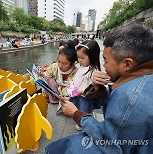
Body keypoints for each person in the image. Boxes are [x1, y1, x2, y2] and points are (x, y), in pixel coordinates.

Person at [45, 24, 153, 153]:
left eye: (106, 60)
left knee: (56, 149)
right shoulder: (140, 78)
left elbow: (111, 144)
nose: (104, 66)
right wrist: (97, 87)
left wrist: (77, 114)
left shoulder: (132, 97)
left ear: (127, 64)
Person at [67, 40, 102, 114]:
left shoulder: (94, 72)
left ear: (92, 56)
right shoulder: (82, 66)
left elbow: (94, 88)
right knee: (76, 109)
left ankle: (83, 122)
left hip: (85, 97)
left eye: (82, 58)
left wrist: (82, 91)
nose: (79, 60)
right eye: (78, 57)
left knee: (84, 112)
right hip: (77, 93)